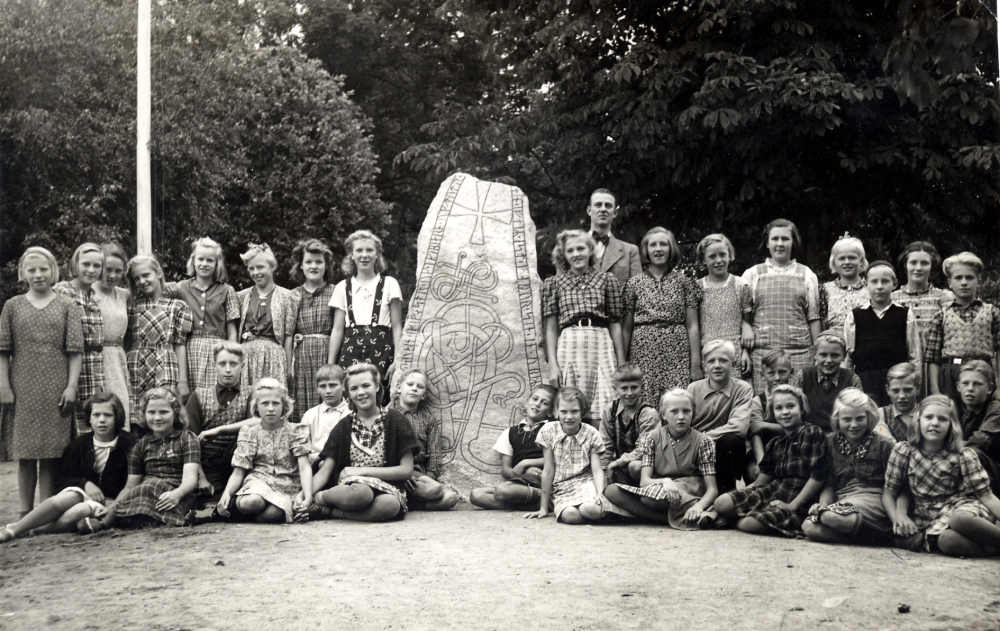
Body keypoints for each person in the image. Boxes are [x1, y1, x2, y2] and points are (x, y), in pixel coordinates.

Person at [0, 247, 84, 517]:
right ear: (23, 273)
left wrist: (71, 387)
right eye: (32, 270)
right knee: (26, 454)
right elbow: (3, 350)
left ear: (53, 271)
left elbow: (75, 351)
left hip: (55, 386)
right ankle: (25, 511)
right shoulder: (12, 306)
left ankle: (46, 512)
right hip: (22, 385)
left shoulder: (67, 305)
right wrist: (3, 386)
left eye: (43, 269)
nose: (38, 275)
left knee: (51, 454)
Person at [1, 393, 134, 542]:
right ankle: (14, 529)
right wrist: (85, 484)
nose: (102, 420)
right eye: (96, 415)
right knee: (71, 496)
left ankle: (31, 528)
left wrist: (113, 505)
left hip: (113, 503)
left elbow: (133, 484)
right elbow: (61, 479)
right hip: (85, 497)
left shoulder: (129, 443)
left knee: (80, 510)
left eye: (108, 415)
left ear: (117, 417)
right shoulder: (79, 444)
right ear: (89, 418)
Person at [883, 395, 1000, 556]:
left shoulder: (962, 455)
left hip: (963, 509)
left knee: (960, 520)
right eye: (929, 417)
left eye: (943, 419)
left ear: (951, 425)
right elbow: (889, 493)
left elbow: (987, 497)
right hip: (928, 518)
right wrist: (897, 518)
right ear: (918, 421)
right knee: (946, 540)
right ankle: (992, 548)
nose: (935, 423)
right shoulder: (904, 452)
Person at [81, 387, 201, 531]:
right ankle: (123, 519)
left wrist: (176, 494)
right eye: (151, 412)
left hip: (179, 494)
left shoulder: (187, 439)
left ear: (175, 413)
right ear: (144, 414)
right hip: (147, 492)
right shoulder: (140, 445)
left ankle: (107, 523)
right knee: (145, 487)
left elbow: (190, 479)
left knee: (150, 485)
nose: (157, 418)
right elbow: (130, 486)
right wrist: (114, 506)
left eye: (163, 412)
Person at [713, 384, 827, 537]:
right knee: (721, 503)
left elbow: (818, 477)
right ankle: (737, 514)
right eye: (779, 408)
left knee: (748, 523)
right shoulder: (776, 443)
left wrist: (792, 506)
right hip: (775, 491)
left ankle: (739, 518)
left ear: (801, 409)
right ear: (773, 413)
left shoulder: (811, 433)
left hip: (801, 499)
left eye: (791, 406)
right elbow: (761, 482)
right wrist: (738, 496)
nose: (785, 412)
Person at [310, 364, 419, 522]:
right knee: (362, 493)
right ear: (348, 393)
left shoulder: (396, 420)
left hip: (388, 488)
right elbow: (324, 472)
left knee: (390, 506)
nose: (361, 393)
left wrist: (361, 471)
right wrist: (305, 497)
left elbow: (406, 470)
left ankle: (327, 512)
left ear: (376, 387)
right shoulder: (343, 427)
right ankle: (320, 499)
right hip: (354, 488)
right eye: (354, 388)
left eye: (366, 386)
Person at [604, 389, 719, 529]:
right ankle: (669, 519)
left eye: (686, 411)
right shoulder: (652, 437)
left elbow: (712, 489)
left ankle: (688, 513)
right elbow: (645, 482)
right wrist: (665, 481)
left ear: (693, 413)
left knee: (649, 499)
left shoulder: (703, 441)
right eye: (674, 411)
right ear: (663, 414)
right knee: (611, 491)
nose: (681, 417)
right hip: (661, 487)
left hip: (689, 491)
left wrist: (699, 506)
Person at [542, 229, 625, 424]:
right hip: (569, 343)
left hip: (600, 343)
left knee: (604, 404)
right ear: (564, 255)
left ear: (590, 251)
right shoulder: (553, 284)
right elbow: (551, 328)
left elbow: (615, 323)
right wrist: (553, 365)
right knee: (571, 403)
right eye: (570, 250)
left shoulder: (607, 280)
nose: (576, 254)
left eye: (581, 248)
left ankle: (603, 452)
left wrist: (621, 363)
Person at [803, 389, 895, 545]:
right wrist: (823, 505)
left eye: (860, 418)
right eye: (847, 419)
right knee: (809, 525)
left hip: (873, 499)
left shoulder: (883, 444)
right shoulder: (830, 442)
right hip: (842, 499)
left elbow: (892, 485)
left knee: (829, 517)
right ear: (837, 420)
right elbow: (829, 482)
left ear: (869, 417)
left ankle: (883, 533)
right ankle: (874, 538)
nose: (854, 425)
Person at [622, 227, 702, 407]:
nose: (658, 249)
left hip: (677, 350)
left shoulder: (684, 282)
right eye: (653, 245)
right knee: (645, 403)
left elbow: (692, 325)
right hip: (643, 351)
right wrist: (623, 363)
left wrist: (695, 364)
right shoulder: (633, 284)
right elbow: (626, 328)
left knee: (675, 401)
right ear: (646, 250)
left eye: (663, 244)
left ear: (671, 248)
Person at [215, 379, 312, 523]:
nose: (270, 408)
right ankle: (229, 508)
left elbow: (304, 467)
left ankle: (244, 516)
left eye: (276, 403)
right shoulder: (250, 432)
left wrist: (308, 497)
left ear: (284, 406)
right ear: (256, 407)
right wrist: (226, 493)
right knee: (252, 502)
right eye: (265, 403)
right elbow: (239, 471)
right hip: (259, 482)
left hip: (287, 485)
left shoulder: (295, 431)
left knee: (271, 515)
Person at [742, 219, 822, 393]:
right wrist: (745, 350)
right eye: (775, 239)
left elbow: (814, 318)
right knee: (766, 405)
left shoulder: (807, 274)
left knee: (798, 402)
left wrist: (818, 353)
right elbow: (744, 316)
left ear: (793, 242)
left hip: (799, 354)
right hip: (763, 355)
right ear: (767, 243)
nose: (780, 244)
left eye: (785, 239)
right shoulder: (753, 274)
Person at [328, 230, 403, 399]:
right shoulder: (342, 287)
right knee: (350, 399)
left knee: (379, 399)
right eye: (359, 251)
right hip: (350, 351)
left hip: (382, 352)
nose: (364, 255)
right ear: (351, 255)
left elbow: (397, 326)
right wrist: (331, 365)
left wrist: (398, 360)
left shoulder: (389, 284)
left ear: (377, 255)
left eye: (369, 250)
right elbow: (338, 329)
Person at [125, 255, 193, 430]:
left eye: (146, 275)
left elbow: (180, 344)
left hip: (166, 364)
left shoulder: (178, 306)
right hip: (136, 367)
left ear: (159, 273)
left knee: (165, 411)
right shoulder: (131, 306)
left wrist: (183, 381)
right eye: (137, 278)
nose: (142, 281)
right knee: (138, 417)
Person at [164, 237, 239, 393]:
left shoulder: (227, 290)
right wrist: (164, 285)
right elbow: (159, 298)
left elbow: (231, 330)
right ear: (193, 261)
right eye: (200, 259)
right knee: (189, 396)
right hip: (188, 349)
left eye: (210, 260)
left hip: (217, 349)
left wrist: (231, 355)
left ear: (217, 264)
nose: (204, 264)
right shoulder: (181, 288)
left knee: (213, 393)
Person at [924, 252, 1000, 406]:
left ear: (978, 281)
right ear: (950, 283)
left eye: (969, 278)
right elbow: (933, 358)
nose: (964, 282)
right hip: (951, 376)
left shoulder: (992, 312)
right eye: (958, 278)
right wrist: (935, 391)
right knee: (952, 419)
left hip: (982, 375)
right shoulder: (941, 316)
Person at [524, 387, 607, 525]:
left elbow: (597, 469)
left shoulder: (591, 433)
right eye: (563, 412)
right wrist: (543, 508)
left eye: (574, 411)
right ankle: (569, 510)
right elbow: (548, 470)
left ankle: (598, 511)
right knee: (570, 516)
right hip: (561, 487)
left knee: (590, 509)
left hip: (585, 482)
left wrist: (600, 493)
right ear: (556, 412)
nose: (569, 417)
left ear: (582, 412)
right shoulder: (548, 431)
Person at [184, 341, 253, 504]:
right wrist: (200, 477)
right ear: (214, 365)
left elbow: (256, 425)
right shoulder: (199, 396)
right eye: (222, 364)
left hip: (239, 463)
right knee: (213, 498)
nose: (228, 369)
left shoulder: (250, 394)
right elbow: (189, 440)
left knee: (243, 501)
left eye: (233, 364)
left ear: (242, 366)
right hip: (208, 464)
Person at [843, 261, 921, 405]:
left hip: (897, 382)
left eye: (885, 281)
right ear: (866, 284)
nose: (879, 286)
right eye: (874, 282)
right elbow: (848, 357)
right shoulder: (855, 315)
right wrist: (849, 387)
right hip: (864, 381)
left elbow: (914, 355)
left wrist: (915, 383)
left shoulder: (905, 314)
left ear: (895, 284)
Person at [469, 384, 557, 511]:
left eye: (544, 403)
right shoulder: (510, 432)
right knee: (476, 495)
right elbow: (506, 471)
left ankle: (546, 495)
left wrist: (526, 463)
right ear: (527, 403)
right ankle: (543, 503)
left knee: (501, 490)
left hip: (544, 479)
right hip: (520, 483)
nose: (537, 404)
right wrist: (524, 471)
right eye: (535, 399)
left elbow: (559, 459)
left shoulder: (553, 429)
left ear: (550, 411)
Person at [686, 340, 754, 495]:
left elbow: (739, 427)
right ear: (705, 365)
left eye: (723, 360)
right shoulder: (693, 388)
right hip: (694, 450)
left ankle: (725, 492)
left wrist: (702, 438)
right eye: (711, 361)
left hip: (721, 449)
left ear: (733, 364)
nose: (717, 365)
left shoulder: (743, 389)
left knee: (733, 440)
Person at [53, 243, 106, 435]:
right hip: (71, 368)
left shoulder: (93, 295)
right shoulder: (63, 291)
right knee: (69, 428)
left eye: (97, 266)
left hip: (94, 369)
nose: (91, 270)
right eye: (86, 264)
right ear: (75, 265)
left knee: (91, 426)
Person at [892, 241, 954, 397]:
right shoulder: (893, 299)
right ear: (905, 264)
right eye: (913, 262)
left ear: (932, 265)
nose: (918, 268)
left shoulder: (945, 298)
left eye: (924, 263)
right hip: (904, 366)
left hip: (936, 366)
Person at [393, 368, 459, 511]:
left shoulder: (428, 420)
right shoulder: (388, 415)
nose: (414, 389)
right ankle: (406, 500)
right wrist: (402, 475)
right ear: (399, 388)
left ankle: (408, 503)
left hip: (418, 476)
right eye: (410, 384)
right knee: (435, 491)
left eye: (420, 386)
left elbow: (434, 455)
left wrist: (429, 477)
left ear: (424, 395)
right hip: (395, 473)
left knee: (450, 497)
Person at [288, 238, 336, 422]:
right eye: (308, 262)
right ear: (301, 265)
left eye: (318, 262)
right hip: (300, 356)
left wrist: (331, 364)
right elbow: (288, 333)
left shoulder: (335, 291)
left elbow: (338, 329)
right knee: (300, 402)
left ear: (326, 265)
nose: (313, 266)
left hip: (326, 352)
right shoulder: (293, 295)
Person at [696, 234, 753, 381]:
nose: (719, 260)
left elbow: (748, 322)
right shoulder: (696, 288)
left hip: (734, 357)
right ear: (704, 260)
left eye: (722, 255)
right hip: (708, 358)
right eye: (712, 256)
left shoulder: (741, 285)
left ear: (730, 255)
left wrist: (746, 352)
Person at [237, 243, 294, 389]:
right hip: (246, 356)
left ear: (272, 266)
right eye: (251, 268)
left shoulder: (287, 296)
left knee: (272, 398)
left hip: (274, 356)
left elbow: (288, 335)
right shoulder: (241, 296)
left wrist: (288, 367)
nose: (256, 272)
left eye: (260, 267)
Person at [600, 363, 661, 485]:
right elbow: (605, 445)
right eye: (624, 388)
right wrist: (605, 471)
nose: (629, 393)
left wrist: (616, 463)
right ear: (615, 388)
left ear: (642, 387)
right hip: (620, 467)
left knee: (634, 466)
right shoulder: (610, 409)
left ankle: (644, 493)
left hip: (645, 466)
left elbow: (644, 449)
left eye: (634, 387)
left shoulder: (648, 413)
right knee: (605, 486)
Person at [94, 243, 132, 428]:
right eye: (107, 269)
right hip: (94, 357)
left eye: (118, 271)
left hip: (117, 357)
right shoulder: (88, 292)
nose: (112, 276)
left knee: (120, 407)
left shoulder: (124, 294)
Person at [799, 330, 862, 432]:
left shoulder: (851, 379)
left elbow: (858, 411)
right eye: (823, 355)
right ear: (815, 354)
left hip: (841, 434)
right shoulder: (804, 376)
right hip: (809, 434)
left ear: (844, 356)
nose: (828, 360)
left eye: (835, 355)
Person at [748, 350, 795, 476]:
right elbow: (754, 432)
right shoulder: (757, 401)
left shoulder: (796, 398)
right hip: (765, 450)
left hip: (792, 450)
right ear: (762, 375)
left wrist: (765, 425)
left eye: (782, 372)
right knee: (752, 471)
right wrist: (761, 461)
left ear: (791, 372)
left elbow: (797, 428)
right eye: (771, 373)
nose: (777, 378)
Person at [586, 188, 641, 288]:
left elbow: (637, 292)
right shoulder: (571, 248)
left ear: (615, 213)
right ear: (589, 211)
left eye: (608, 206)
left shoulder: (630, 251)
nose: (603, 209)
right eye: (598, 205)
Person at [299, 363, 350, 468]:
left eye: (332, 385)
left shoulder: (351, 412)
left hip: (343, 464)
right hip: (315, 465)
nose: (328, 391)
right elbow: (302, 448)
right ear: (317, 389)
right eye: (322, 386)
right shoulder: (310, 415)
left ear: (343, 386)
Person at [819, 234, 869, 335]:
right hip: (834, 347)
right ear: (834, 262)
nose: (846, 262)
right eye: (842, 258)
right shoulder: (825, 289)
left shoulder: (871, 288)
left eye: (852, 258)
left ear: (861, 261)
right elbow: (822, 325)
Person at [956, 361, 1000, 468]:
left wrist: (948, 447)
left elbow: (981, 441)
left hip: (990, 466)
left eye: (977, 384)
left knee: (972, 453)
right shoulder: (954, 409)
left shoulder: (995, 408)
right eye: (965, 383)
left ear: (989, 388)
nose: (970, 388)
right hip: (959, 461)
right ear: (958, 387)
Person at [874, 362, 920, 442]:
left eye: (907, 390)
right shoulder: (881, 415)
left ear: (918, 389)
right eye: (896, 391)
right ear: (888, 390)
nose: (902, 396)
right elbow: (887, 442)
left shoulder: (926, 413)